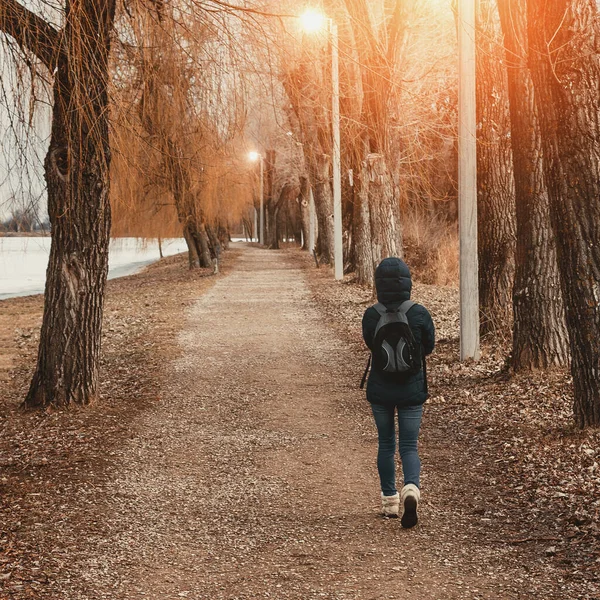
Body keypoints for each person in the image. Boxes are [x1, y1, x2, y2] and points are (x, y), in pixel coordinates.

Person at [362, 257, 435, 527]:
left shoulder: (372, 314)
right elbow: (428, 346)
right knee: (408, 446)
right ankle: (412, 489)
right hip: (411, 390)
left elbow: (371, 343)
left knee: (385, 444)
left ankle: (390, 501)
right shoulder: (418, 313)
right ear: (408, 283)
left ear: (379, 283)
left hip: (380, 391)